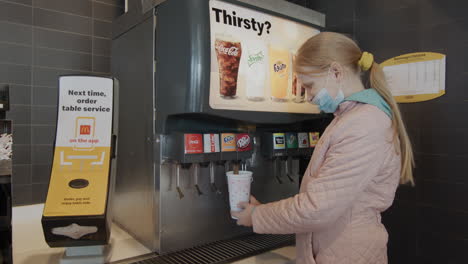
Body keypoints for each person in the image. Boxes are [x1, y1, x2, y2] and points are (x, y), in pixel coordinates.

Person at [232, 32, 415, 264]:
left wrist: (257, 216)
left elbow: (317, 208)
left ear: (336, 72)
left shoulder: (364, 123)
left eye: (309, 85)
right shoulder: (348, 118)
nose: (308, 97)